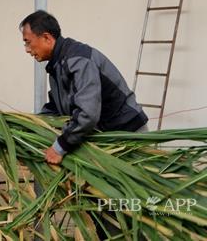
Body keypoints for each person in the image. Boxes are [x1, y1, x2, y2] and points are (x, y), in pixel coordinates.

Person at [20, 10, 149, 165]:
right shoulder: (57, 66)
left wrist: (59, 147)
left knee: (135, 188)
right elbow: (55, 108)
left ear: (47, 38)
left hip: (127, 135)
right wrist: (29, 125)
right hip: (107, 137)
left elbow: (88, 113)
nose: (27, 49)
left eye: (28, 42)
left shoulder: (78, 60)